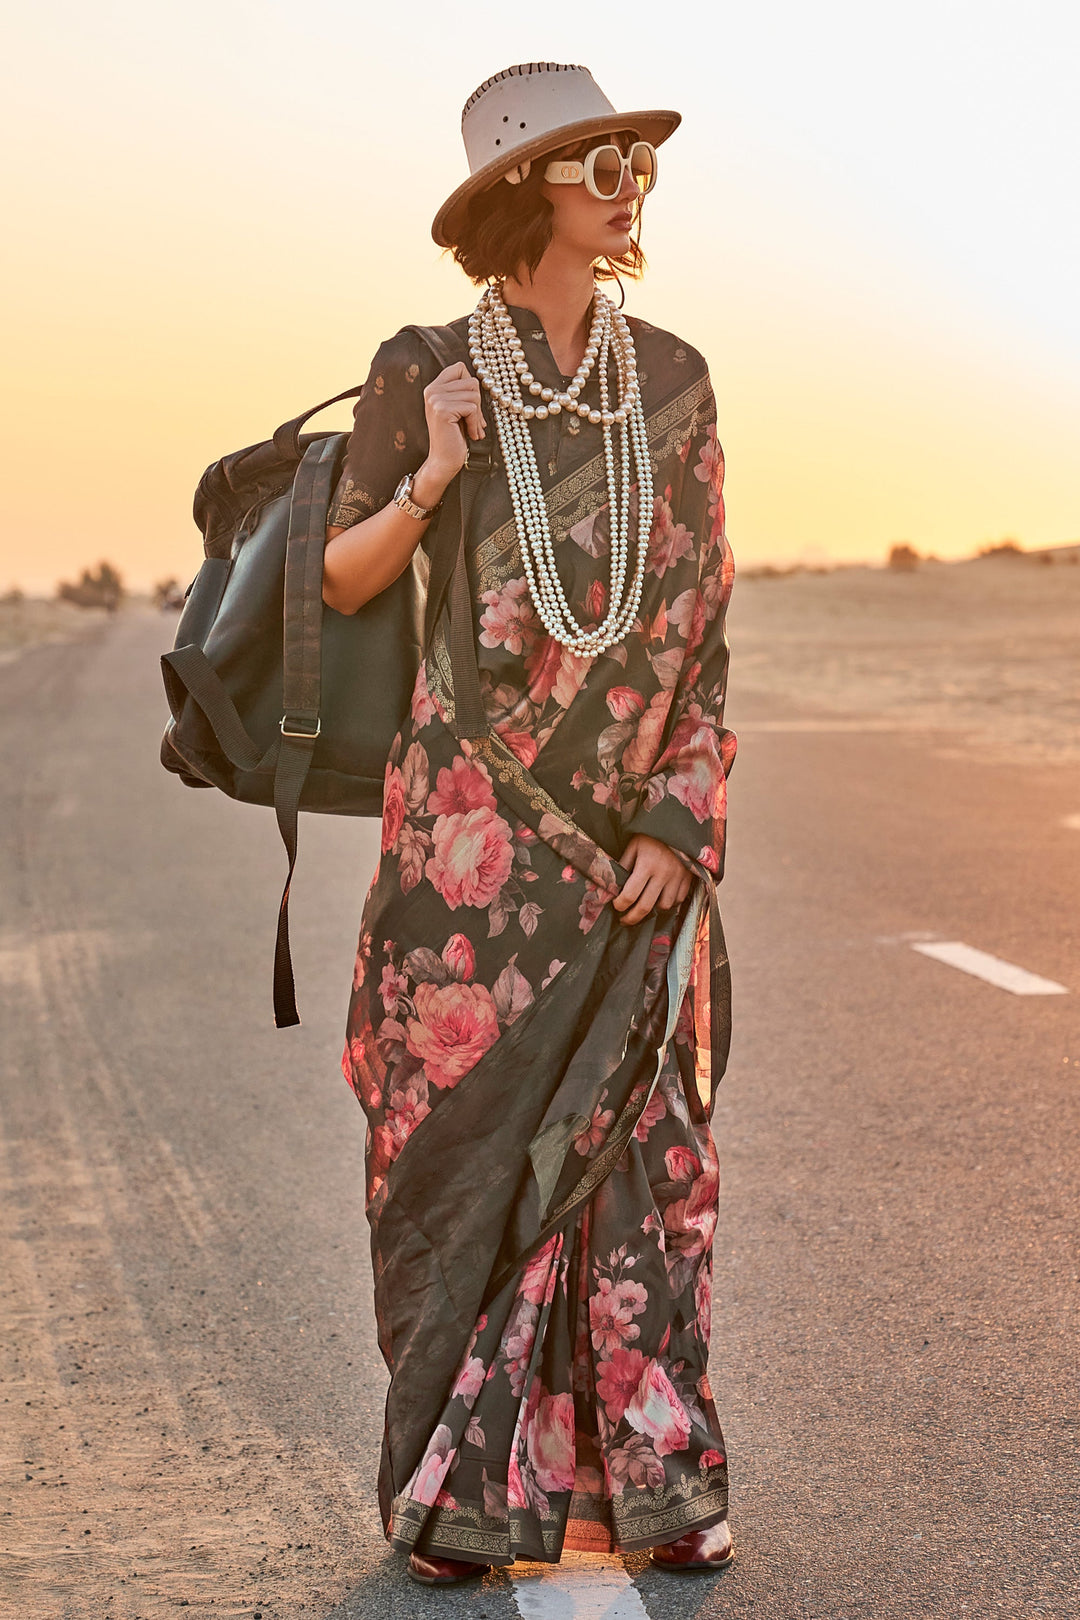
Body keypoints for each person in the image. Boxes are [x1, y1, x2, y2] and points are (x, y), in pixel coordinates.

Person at [322, 61, 738, 1587]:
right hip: (466, 854)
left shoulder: (676, 379)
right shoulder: (426, 363)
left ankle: (665, 1481)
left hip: (624, 847)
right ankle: (452, 1496)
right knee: (461, 1165)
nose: (631, 180)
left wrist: (682, 820)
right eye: (598, 161)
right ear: (525, 191)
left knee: (646, 1165)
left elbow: (703, 621)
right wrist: (434, 469)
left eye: (635, 155)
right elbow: (347, 580)